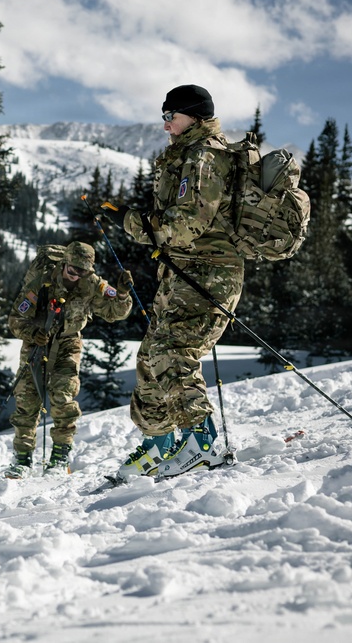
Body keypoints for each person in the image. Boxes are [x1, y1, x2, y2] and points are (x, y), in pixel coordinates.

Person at [102, 84, 242, 479]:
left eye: (171, 117)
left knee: (173, 352)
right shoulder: (186, 153)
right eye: (163, 117)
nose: (165, 126)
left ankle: (202, 441)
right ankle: (161, 443)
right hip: (183, 272)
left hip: (208, 273)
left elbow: (184, 225)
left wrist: (130, 220)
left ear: (194, 116)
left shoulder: (205, 156)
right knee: (150, 357)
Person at [5, 241, 133, 478]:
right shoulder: (40, 282)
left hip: (68, 342)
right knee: (27, 398)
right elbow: (15, 319)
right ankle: (22, 459)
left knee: (63, 396)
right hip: (37, 342)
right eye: (72, 270)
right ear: (64, 264)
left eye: (82, 271)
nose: (76, 276)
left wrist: (123, 294)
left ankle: (59, 456)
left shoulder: (93, 284)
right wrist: (32, 333)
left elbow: (115, 312)